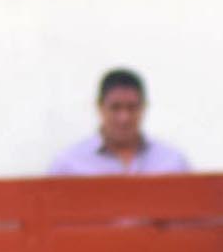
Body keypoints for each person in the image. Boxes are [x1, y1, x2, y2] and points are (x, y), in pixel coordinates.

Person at [48, 70, 191, 175]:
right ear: (99, 107)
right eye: (115, 108)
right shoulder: (69, 165)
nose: (124, 117)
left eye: (132, 107)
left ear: (144, 108)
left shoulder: (172, 162)